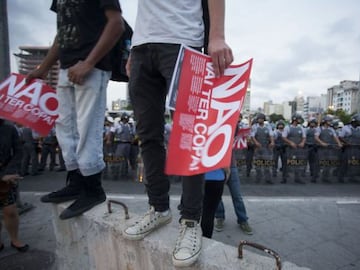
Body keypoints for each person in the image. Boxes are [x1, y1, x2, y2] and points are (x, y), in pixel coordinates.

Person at [122, 0, 233, 267]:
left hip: (183, 42)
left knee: (189, 136)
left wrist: (216, 36)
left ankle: (191, 220)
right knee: (148, 135)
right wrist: (134, 50)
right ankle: (158, 208)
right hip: (141, 47)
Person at [26, 0, 125, 220]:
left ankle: (93, 189)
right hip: (66, 65)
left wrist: (89, 62)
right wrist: (43, 68)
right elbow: (63, 33)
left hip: (92, 65)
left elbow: (116, 24)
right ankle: (76, 182)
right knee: (64, 126)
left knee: (87, 127)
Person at [0, 118, 29, 253]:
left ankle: (14, 239)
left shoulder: (9, 128)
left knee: (10, 211)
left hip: (8, 177)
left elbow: (18, 151)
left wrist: (9, 172)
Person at [250, 113, 275, 184]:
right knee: (258, 165)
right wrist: (256, 142)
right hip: (257, 148)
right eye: (259, 119)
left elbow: (271, 135)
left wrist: (272, 142)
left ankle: (268, 179)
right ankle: (258, 178)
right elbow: (252, 136)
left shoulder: (268, 127)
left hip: (266, 147)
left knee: (267, 164)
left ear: (264, 120)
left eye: (261, 119)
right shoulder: (255, 127)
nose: (260, 120)